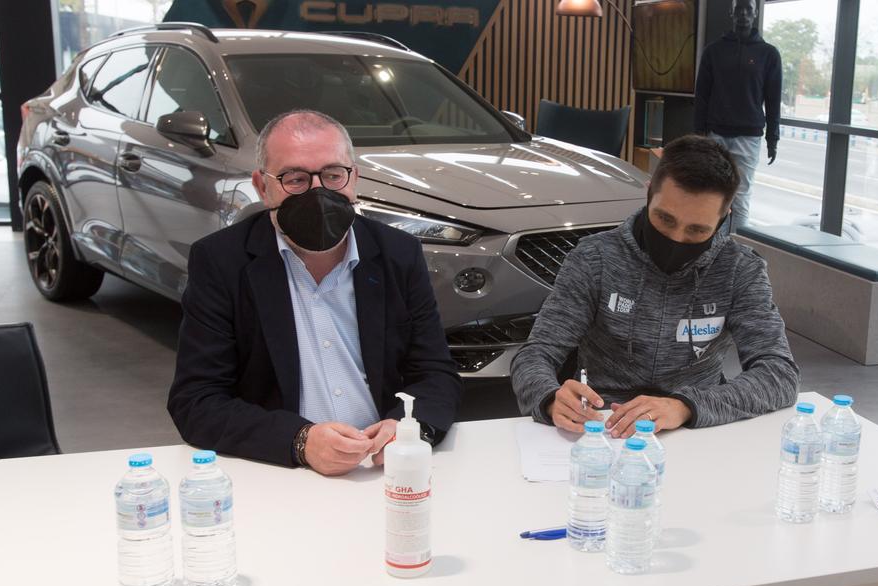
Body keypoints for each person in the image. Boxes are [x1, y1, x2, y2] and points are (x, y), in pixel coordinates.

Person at [168, 110, 461, 475]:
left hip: (381, 469)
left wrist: (408, 428)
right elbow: (196, 402)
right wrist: (300, 441)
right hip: (281, 473)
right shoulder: (222, 261)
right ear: (262, 186)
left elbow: (435, 373)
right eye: (295, 179)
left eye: (333, 175)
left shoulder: (397, 254)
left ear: (354, 177)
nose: (319, 192)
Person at [510, 135, 799, 438]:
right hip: (600, 426)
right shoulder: (595, 258)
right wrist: (549, 398)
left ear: (724, 219)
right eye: (665, 219)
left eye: (697, 230)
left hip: (696, 430)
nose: (677, 238)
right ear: (649, 194)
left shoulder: (740, 269)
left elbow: (779, 374)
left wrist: (685, 406)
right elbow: (535, 355)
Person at [693, 0, 782, 233]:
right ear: (732, 13)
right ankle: (707, 245)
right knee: (711, 191)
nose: (743, 14)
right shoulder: (713, 51)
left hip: (748, 136)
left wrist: (773, 137)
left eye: (748, 10)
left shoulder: (769, 54)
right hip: (715, 134)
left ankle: (736, 251)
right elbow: (702, 94)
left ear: (755, 14)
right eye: (739, 9)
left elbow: (773, 100)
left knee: (740, 195)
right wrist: (698, 134)